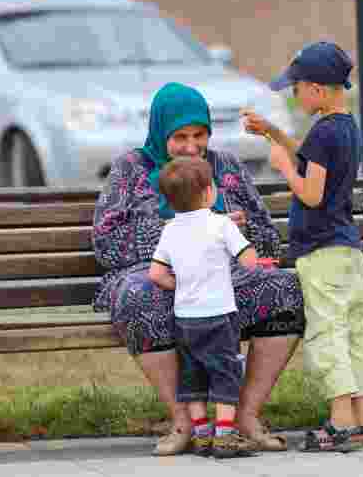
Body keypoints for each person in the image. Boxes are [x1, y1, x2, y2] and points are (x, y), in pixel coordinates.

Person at [93, 82, 303, 456]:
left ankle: (245, 416)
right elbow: (107, 243)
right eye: (180, 137)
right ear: (161, 132)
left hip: (225, 277)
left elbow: (269, 242)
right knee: (141, 297)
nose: (192, 147)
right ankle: (183, 421)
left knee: (286, 289)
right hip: (155, 276)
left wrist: (241, 230)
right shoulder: (131, 169)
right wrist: (188, 231)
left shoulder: (227, 167)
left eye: (200, 135)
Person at [243, 41, 363, 453]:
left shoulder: (322, 132)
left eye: (296, 88)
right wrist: (274, 134)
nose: (294, 95)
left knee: (327, 335)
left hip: (321, 251)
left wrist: (283, 169)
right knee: (351, 335)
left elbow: (312, 192)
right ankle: (357, 421)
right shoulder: (345, 126)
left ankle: (338, 425)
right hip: (347, 251)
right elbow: (314, 160)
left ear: (316, 89)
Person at [149, 157, 260, 459]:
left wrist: (182, 285)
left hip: (185, 318)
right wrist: (252, 256)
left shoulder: (170, 230)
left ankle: (201, 434)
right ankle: (225, 436)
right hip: (219, 315)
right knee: (225, 372)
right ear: (209, 193)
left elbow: (156, 274)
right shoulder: (221, 224)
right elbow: (248, 261)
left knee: (193, 374)